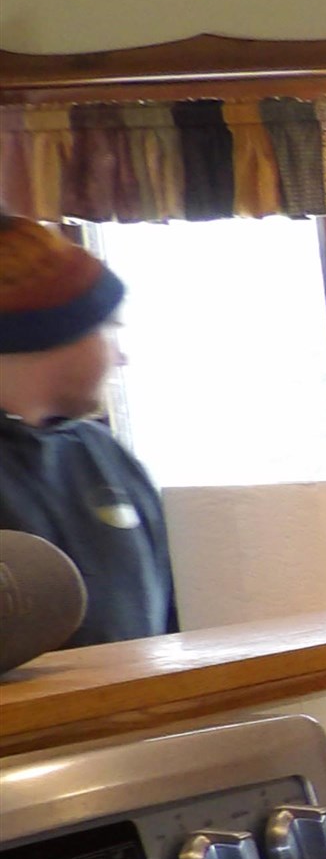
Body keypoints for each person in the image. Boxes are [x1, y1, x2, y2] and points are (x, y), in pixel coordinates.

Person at [0, 214, 175, 644]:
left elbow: (176, 626)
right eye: (109, 327)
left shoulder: (105, 455)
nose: (121, 357)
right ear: (54, 332)